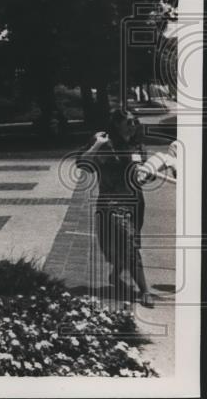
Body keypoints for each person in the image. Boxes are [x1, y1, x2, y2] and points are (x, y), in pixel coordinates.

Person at [79, 108, 155, 307]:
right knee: (129, 243)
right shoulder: (105, 143)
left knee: (130, 242)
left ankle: (115, 275)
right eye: (128, 122)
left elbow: (141, 174)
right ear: (116, 123)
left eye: (134, 122)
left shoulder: (137, 146)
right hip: (112, 203)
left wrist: (148, 174)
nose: (133, 126)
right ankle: (145, 291)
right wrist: (97, 144)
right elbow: (83, 164)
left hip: (136, 201)